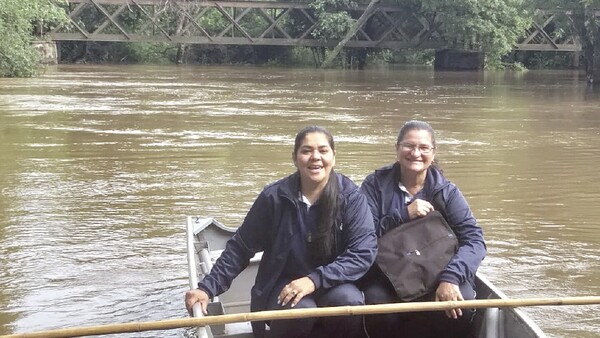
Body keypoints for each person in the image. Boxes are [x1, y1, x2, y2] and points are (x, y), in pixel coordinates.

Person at [185, 126, 377, 338]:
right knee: (300, 312)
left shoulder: (351, 197)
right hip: (282, 283)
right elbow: (240, 247)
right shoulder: (274, 198)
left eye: (323, 151)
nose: (315, 157)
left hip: (333, 281)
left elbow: (362, 253)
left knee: (349, 303)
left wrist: (314, 280)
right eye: (306, 151)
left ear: (333, 157)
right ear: (295, 158)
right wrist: (207, 288)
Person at [359, 120, 486, 338]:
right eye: (409, 145)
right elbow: (363, 236)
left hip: (438, 273)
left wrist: (451, 278)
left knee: (458, 304)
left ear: (433, 153)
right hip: (388, 277)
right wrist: (402, 215)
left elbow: (474, 240)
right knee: (376, 306)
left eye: (423, 147)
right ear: (397, 149)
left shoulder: (446, 192)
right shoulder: (374, 185)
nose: (415, 153)